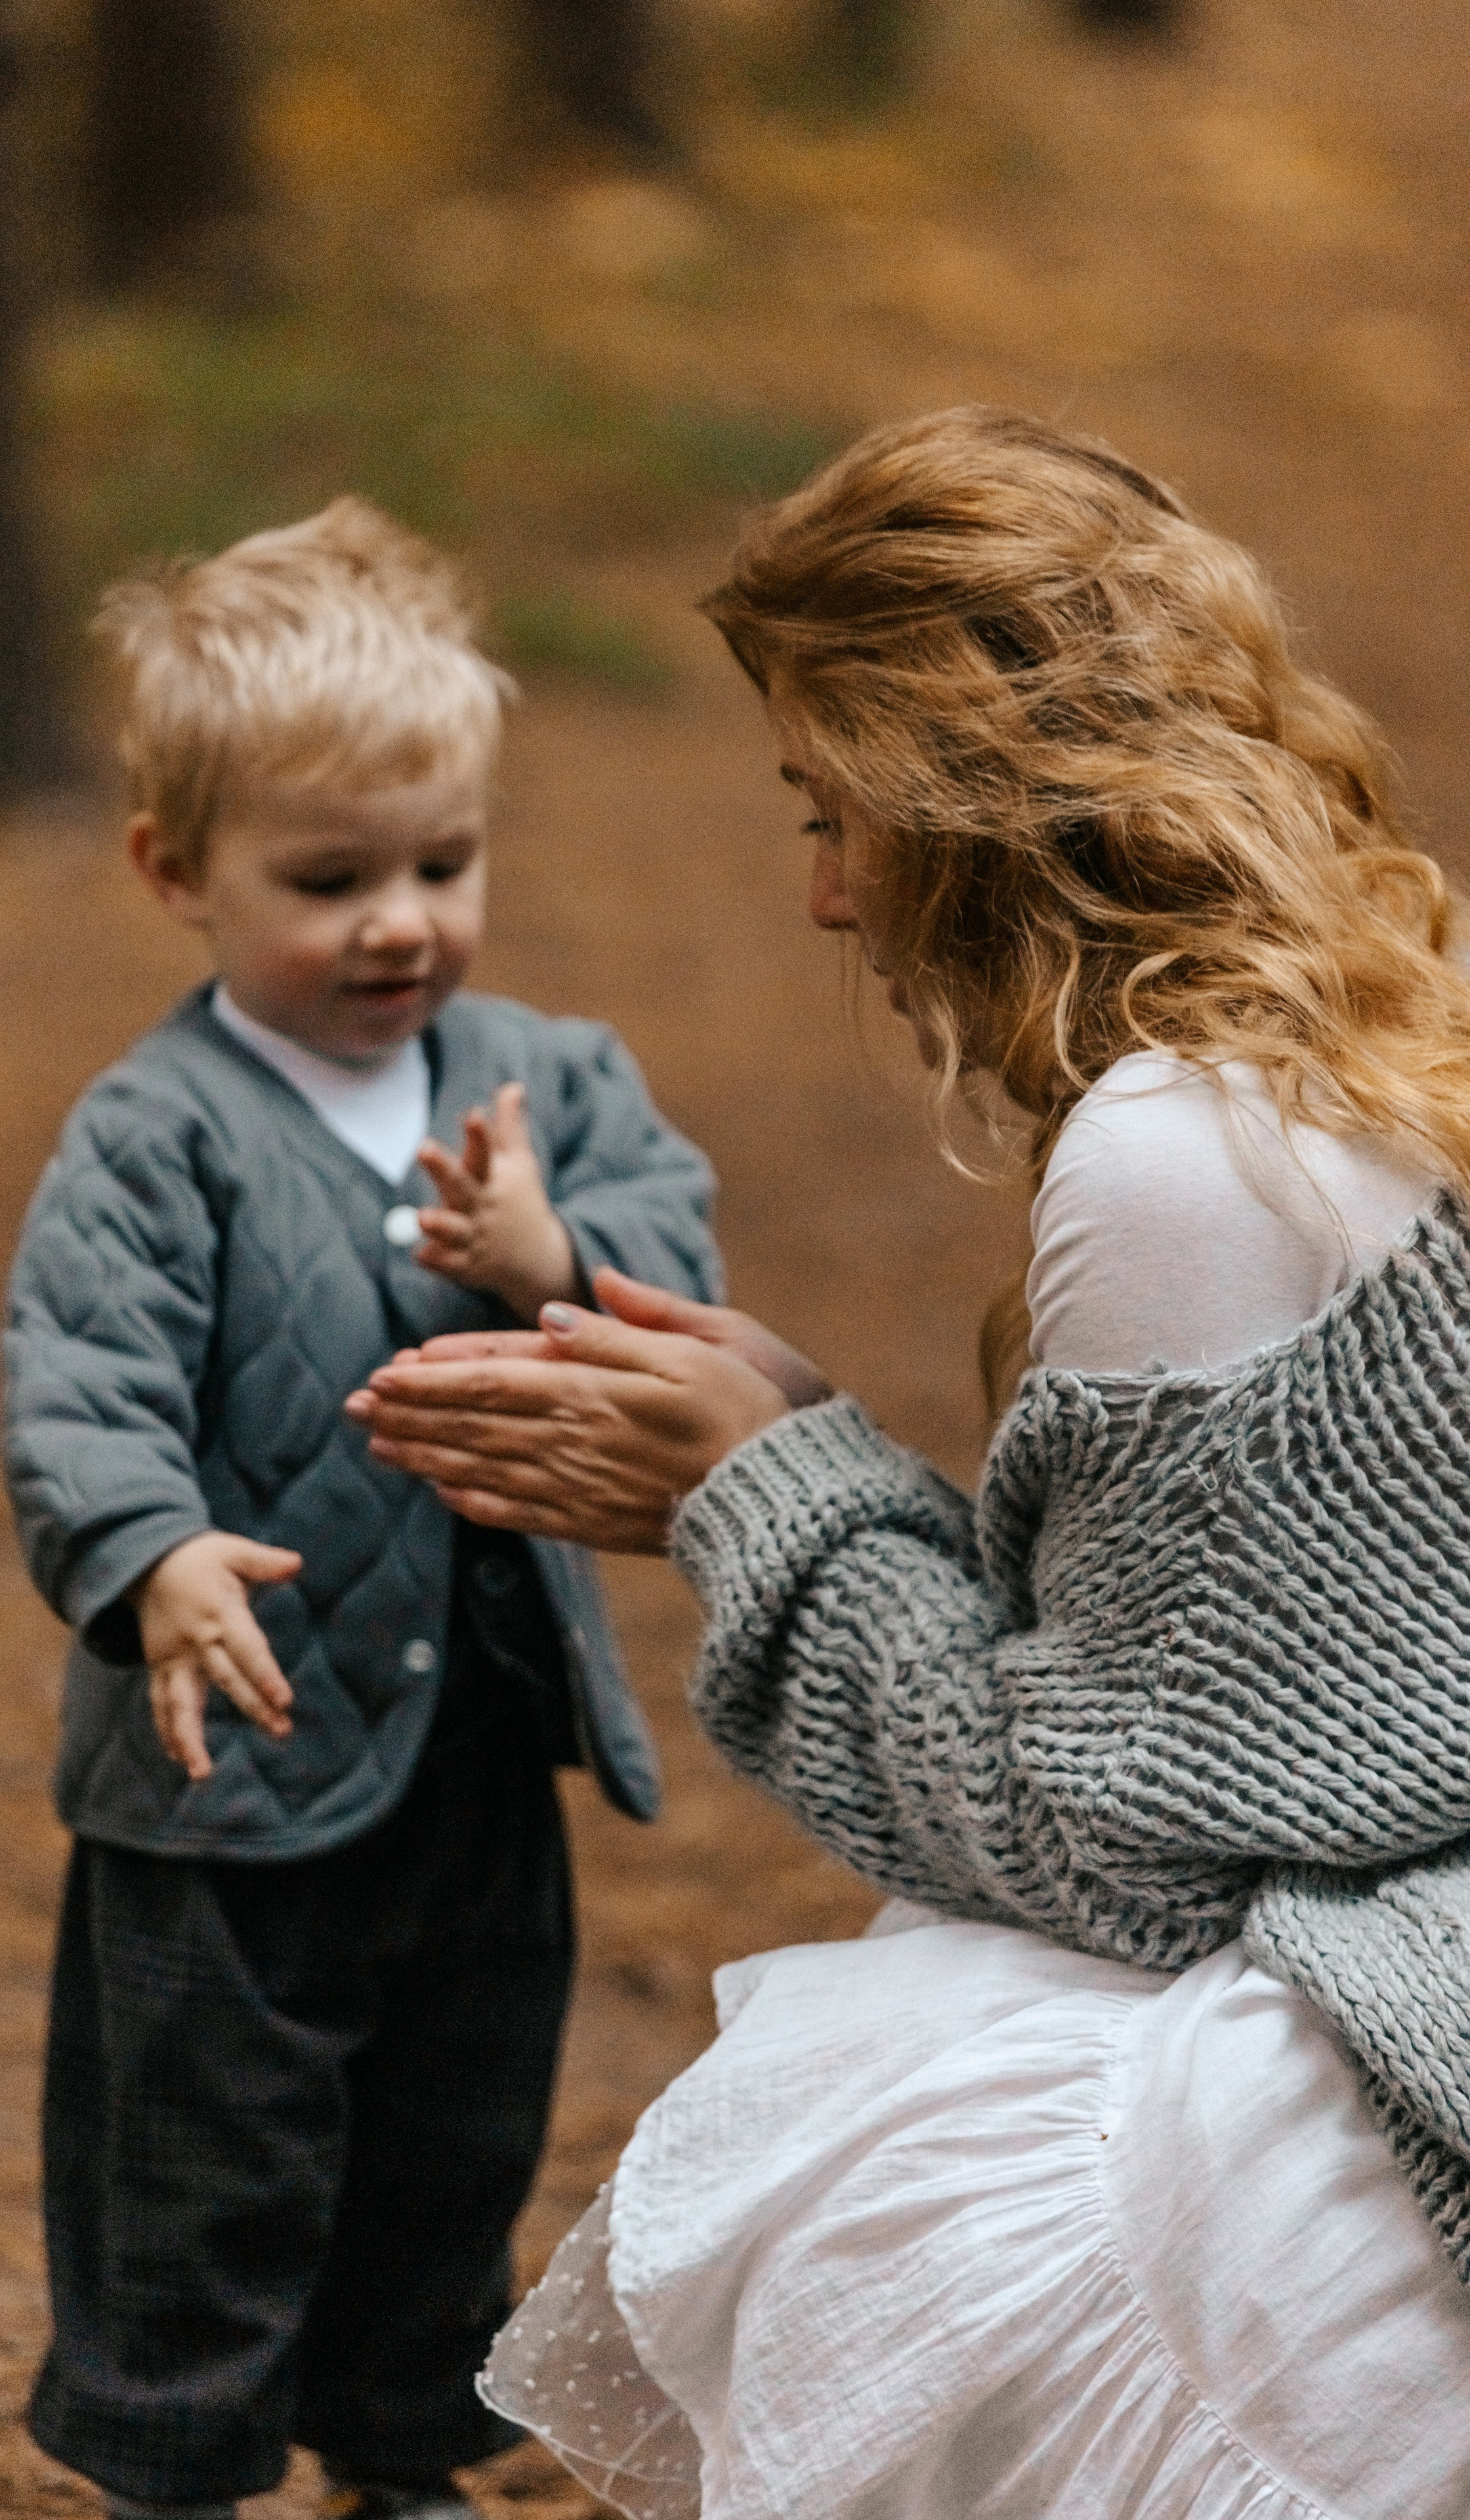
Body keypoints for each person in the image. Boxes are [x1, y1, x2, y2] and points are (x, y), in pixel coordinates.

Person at [350, 408, 1470, 2519]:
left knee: (905, 2138)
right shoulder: (1391, 1016)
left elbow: (1124, 1851)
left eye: (831, 810)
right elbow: (1278, 1714)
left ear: (973, 792)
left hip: (1427, 2034)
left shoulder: (1180, 1152)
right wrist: (790, 1425)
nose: (824, 896)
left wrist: (761, 1495)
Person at [0, 498, 723, 2520]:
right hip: (235, 1752)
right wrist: (147, 1553)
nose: (401, 918)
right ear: (178, 871)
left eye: (443, 862)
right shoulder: (162, 1134)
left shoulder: (543, 1082)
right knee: (207, 2145)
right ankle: (181, 2458)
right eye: (329, 879)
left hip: (483, 1744)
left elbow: (677, 1262)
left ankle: (404, 2446)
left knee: (454, 2118)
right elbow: (82, 1371)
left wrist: (552, 1250)